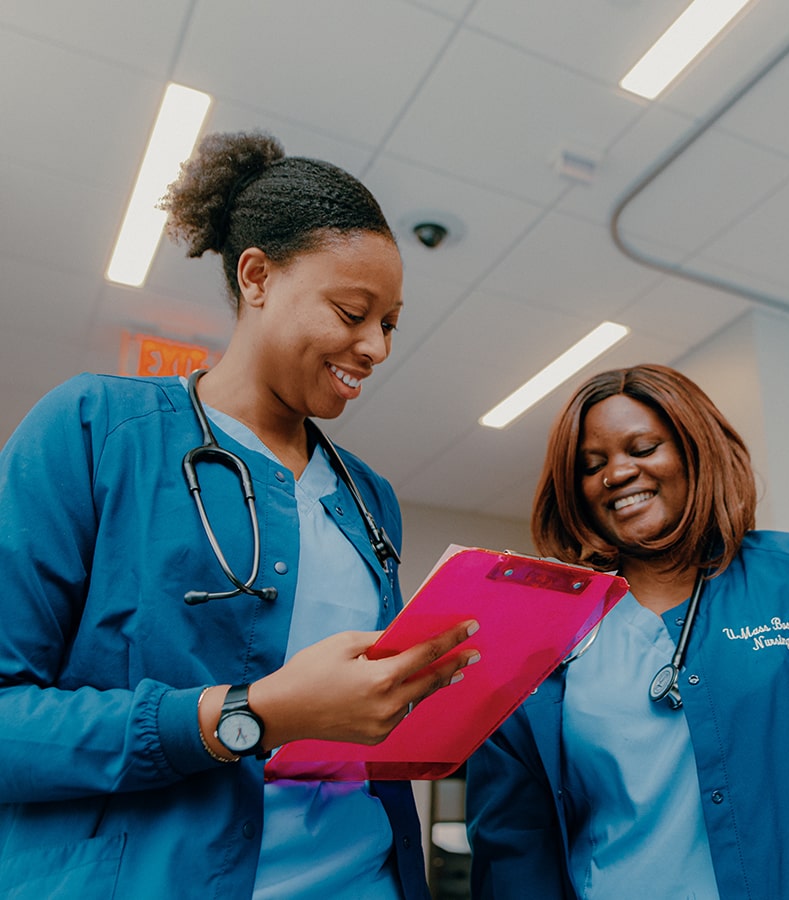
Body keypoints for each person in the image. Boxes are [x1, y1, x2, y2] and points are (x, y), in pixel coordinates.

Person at [0, 130, 480, 899]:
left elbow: (357, 723)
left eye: (389, 323)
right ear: (256, 276)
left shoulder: (369, 499)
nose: (375, 348)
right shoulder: (94, 430)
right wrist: (245, 716)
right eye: (352, 311)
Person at [466, 363, 789, 899]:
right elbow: (514, 838)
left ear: (695, 451)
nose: (617, 474)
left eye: (643, 449)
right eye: (591, 464)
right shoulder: (545, 628)